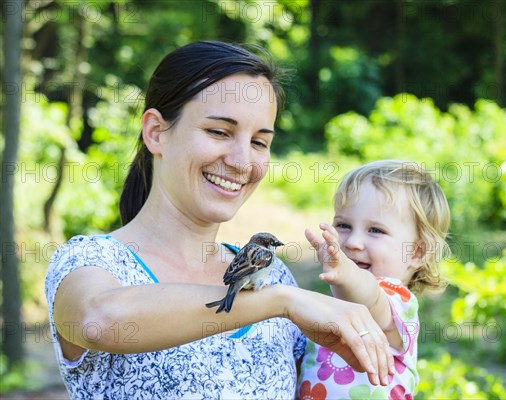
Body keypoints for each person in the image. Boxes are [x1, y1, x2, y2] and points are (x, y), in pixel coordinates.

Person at [45, 41, 395, 399]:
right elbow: (98, 321)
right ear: (155, 132)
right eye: (219, 132)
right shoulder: (89, 262)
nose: (242, 161)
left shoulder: (275, 278)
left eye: (260, 142)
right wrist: (280, 302)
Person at [297, 160, 451, 400]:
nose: (352, 242)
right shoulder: (331, 309)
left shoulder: (398, 302)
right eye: (344, 225)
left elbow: (369, 298)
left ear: (416, 252)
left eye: (375, 230)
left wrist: (347, 274)